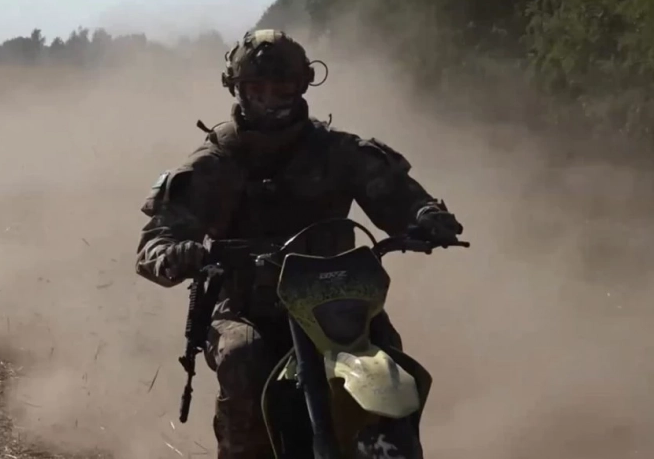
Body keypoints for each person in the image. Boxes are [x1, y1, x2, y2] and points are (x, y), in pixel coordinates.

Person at [136, 29, 463, 459]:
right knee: (243, 359)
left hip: (339, 299)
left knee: (388, 353)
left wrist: (425, 216)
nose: (270, 99)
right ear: (237, 89)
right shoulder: (215, 161)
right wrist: (175, 255)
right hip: (247, 306)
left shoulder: (339, 151)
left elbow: (395, 195)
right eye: (257, 88)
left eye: (282, 87)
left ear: (303, 84)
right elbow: (158, 239)